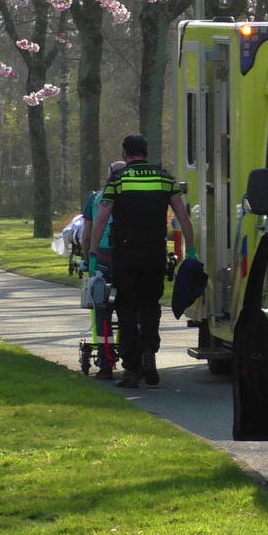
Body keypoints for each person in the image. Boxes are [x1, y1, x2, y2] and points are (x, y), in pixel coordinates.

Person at [90, 134, 196, 389]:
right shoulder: (164, 178)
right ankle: (149, 352)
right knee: (150, 305)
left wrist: (93, 252)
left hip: (125, 253)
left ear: (125, 154)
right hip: (154, 252)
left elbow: (102, 218)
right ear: (146, 153)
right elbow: (182, 216)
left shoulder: (118, 179)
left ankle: (131, 368)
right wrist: (191, 249)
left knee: (126, 308)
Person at [80, 160, 125, 379]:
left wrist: (87, 259)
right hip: (129, 255)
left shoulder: (95, 198)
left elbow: (86, 234)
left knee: (102, 309)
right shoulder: (134, 197)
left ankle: (106, 362)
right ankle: (134, 358)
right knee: (130, 309)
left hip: (102, 256)